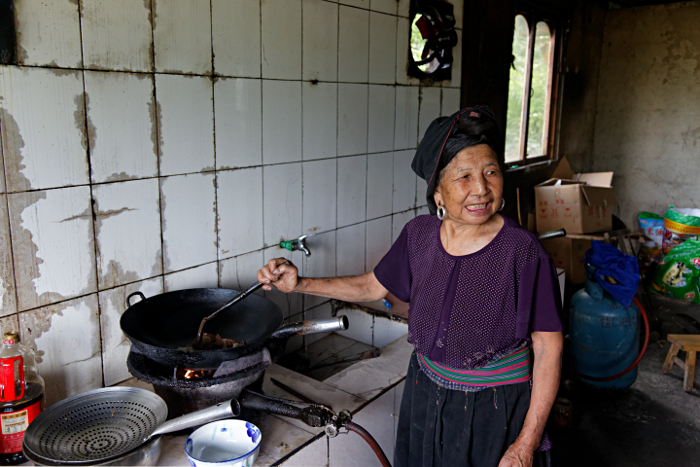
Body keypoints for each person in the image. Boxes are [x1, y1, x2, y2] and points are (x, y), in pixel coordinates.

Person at [257, 106, 563, 467]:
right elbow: (372, 286)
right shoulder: (419, 235)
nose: (481, 188)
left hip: (494, 407)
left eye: (491, 172)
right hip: (426, 391)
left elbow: (548, 347)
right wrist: (299, 284)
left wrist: (526, 443)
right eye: (463, 176)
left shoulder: (523, 252)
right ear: (438, 194)